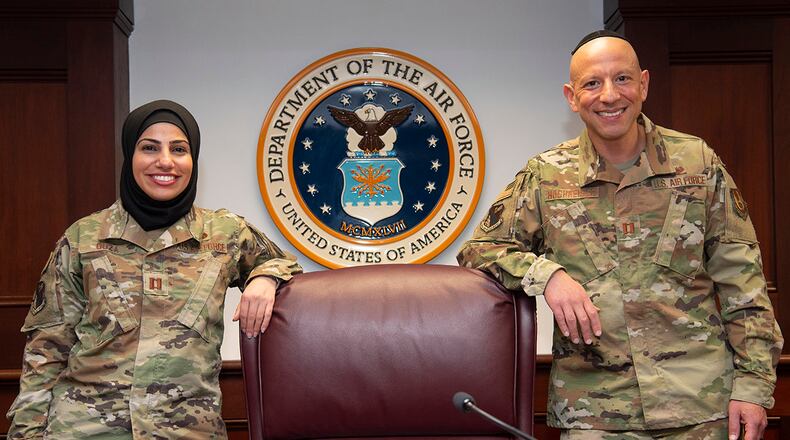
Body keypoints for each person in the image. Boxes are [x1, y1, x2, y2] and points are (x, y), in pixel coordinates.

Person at [457, 30, 782, 440]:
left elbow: (743, 282)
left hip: (700, 405)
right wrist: (548, 275)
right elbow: (481, 250)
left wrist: (753, 388)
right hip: (595, 411)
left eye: (622, 79)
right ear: (572, 97)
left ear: (643, 84)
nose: (609, 95)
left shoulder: (697, 163)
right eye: (592, 83)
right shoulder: (546, 175)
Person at [6, 100, 302, 439]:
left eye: (179, 149)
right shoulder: (83, 238)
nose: (165, 161)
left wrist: (265, 277)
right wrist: (25, 434)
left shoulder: (225, 233)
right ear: (130, 155)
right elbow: (46, 353)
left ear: (193, 160)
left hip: (186, 431)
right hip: (86, 430)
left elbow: (285, 264)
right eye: (149, 148)